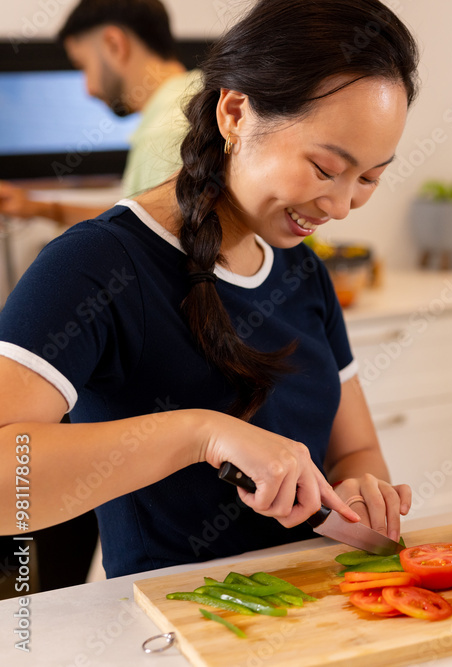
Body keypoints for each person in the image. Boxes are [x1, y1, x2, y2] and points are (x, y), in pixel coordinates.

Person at [0, 0, 419, 578]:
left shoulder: (303, 272)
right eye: (326, 168)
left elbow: (355, 451)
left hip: (320, 611)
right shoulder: (94, 265)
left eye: (370, 177)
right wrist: (202, 434)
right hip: (178, 630)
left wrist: (362, 487)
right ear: (236, 113)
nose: (343, 206)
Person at [0, 0, 199, 226]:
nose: (89, 89)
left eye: (83, 65)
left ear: (114, 44)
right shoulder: (196, 95)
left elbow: (148, 240)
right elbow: (139, 219)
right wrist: (38, 208)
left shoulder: (165, 133)